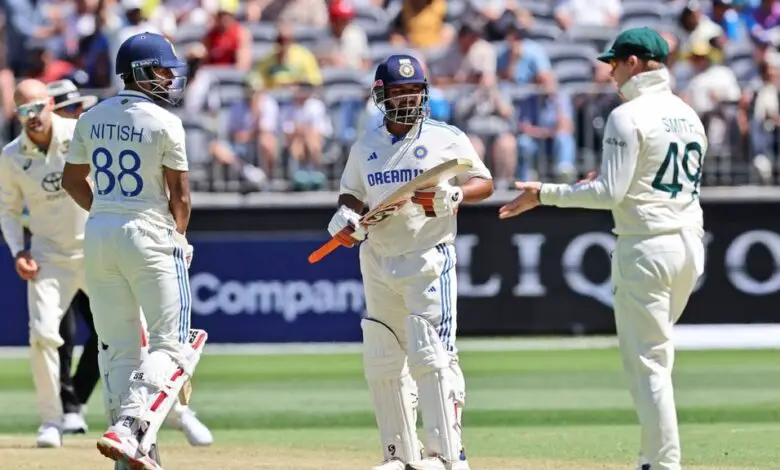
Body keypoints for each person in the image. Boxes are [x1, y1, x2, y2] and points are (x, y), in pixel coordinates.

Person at [497, 27, 707, 470]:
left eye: (614, 63)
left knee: (648, 364)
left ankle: (662, 463)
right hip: (689, 243)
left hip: (648, 247)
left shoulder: (626, 116)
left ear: (634, 63)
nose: (609, 73)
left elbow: (610, 194)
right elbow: (640, 183)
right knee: (656, 358)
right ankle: (655, 458)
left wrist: (544, 192)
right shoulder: (690, 115)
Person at [327, 54, 494, 470]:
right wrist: (346, 216)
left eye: (414, 91)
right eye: (399, 92)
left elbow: (484, 182)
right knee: (384, 356)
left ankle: (448, 456)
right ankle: (400, 454)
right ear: (380, 96)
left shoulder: (445, 137)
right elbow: (352, 194)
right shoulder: (366, 145)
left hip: (427, 256)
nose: (407, 99)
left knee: (433, 354)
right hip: (378, 259)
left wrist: (455, 195)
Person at [61, 32, 206, 468]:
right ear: (140, 72)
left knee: (119, 348)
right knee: (175, 345)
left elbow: (72, 181)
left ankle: (131, 454)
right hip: (150, 232)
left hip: (100, 234)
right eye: (162, 70)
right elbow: (180, 197)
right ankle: (130, 429)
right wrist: (179, 240)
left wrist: (106, 210)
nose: (168, 78)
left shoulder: (91, 116)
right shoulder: (165, 122)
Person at [0, 78, 83, 449]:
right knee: (42, 336)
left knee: (127, 335)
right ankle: (52, 421)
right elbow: (8, 211)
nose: (32, 117)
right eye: (24, 110)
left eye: (37, 107)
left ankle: (145, 417)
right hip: (49, 256)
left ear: (50, 104)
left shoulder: (82, 133)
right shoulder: (11, 156)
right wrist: (19, 251)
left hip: (98, 249)